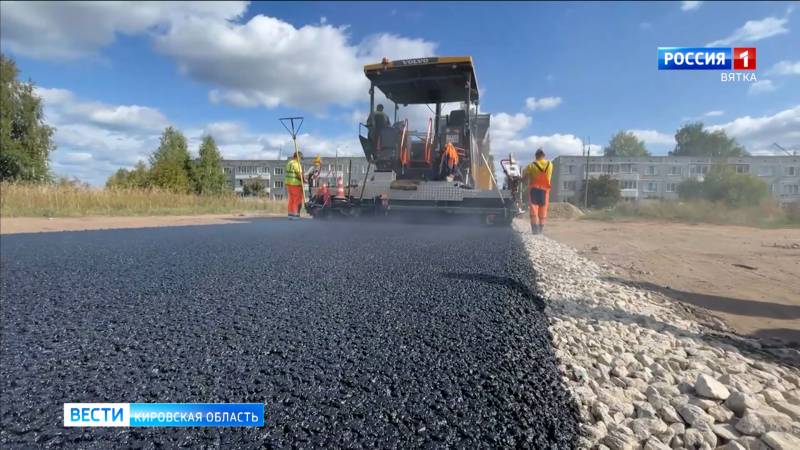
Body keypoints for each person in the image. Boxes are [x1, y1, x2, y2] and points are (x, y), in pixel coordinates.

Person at [524, 148, 553, 234]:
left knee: (534, 209)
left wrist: (521, 179)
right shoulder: (550, 164)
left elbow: (525, 177)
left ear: (536, 156)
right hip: (545, 190)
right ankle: (540, 230)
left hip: (534, 190)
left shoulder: (531, 165)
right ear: (544, 155)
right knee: (543, 209)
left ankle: (535, 231)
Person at [285, 151, 304, 220]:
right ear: (298, 157)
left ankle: (290, 214)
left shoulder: (289, 163)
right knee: (296, 200)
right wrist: (304, 180)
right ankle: (295, 214)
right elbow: (299, 175)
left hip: (289, 184)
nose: (301, 160)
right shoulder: (296, 164)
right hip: (295, 184)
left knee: (291, 199)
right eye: (301, 158)